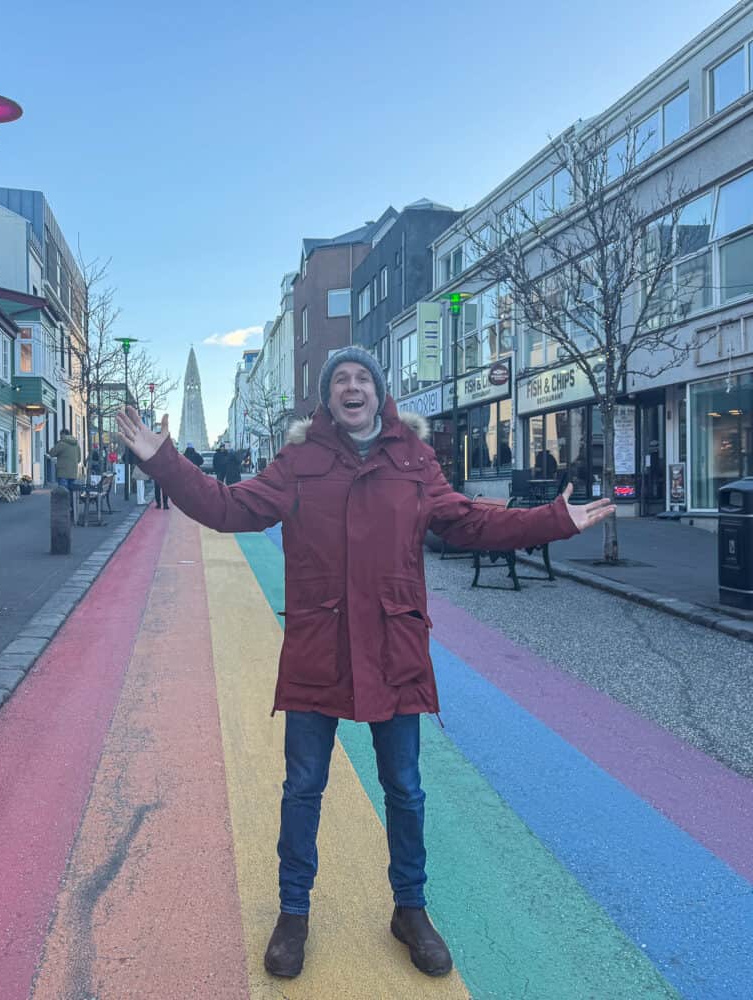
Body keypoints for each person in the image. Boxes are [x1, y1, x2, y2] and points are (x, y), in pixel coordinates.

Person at [115, 346, 613, 981]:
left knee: (404, 787)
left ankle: (411, 909)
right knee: (302, 788)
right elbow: (224, 507)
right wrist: (164, 459)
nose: (352, 387)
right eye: (340, 380)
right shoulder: (299, 462)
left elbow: (466, 522)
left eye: (363, 378)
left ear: (380, 392)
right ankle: (293, 913)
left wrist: (552, 520)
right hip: (319, 646)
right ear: (327, 399)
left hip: (392, 646)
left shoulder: (413, 460)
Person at [47, 427, 83, 494]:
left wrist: (56, 445)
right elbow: (79, 459)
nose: (60, 437)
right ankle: (71, 504)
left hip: (63, 472)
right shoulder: (76, 444)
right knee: (72, 492)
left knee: (63, 493)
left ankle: (65, 504)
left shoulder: (61, 443)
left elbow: (51, 453)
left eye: (60, 435)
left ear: (63, 434)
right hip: (73, 472)